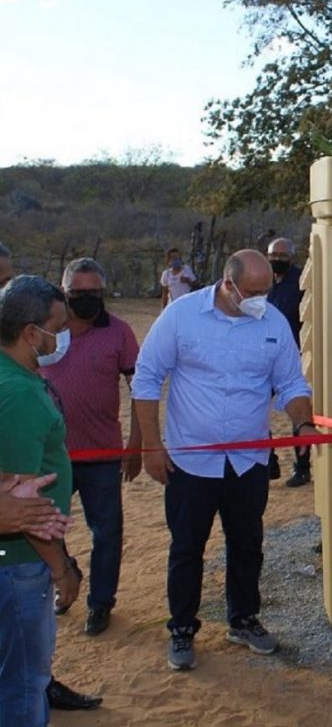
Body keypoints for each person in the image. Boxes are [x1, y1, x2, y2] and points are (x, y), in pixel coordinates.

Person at [132, 249, 317, 672]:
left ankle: (244, 619)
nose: (260, 300)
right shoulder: (182, 316)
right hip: (190, 463)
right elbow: (146, 379)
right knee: (187, 548)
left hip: (249, 460)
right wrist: (151, 447)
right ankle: (181, 627)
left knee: (248, 544)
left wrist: (303, 424)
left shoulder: (272, 322)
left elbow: (290, 381)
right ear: (227, 284)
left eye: (265, 291)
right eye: (251, 292)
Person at [41, 257, 142, 636]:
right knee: (47, 529)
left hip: (102, 454)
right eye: (77, 293)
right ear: (63, 292)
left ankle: (101, 603)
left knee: (107, 532)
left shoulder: (119, 332)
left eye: (94, 293)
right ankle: (65, 573)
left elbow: (140, 389)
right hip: (50, 456)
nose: (86, 299)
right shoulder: (44, 332)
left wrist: (136, 441)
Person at [0, 275, 80, 726]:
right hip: (19, 564)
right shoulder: (19, 394)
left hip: (14, 559)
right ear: (32, 333)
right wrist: (60, 568)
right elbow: (24, 506)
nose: (63, 335)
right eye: (58, 325)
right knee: (26, 683)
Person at [266, 237, 312, 487]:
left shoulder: (300, 283)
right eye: (273, 256)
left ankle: (302, 468)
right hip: (267, 356)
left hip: (295, 358)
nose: (277, 261)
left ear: (291, 258)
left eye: (282, 256)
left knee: (298, 412)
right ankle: (268, 460)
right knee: (256, 408)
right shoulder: (264, 283)